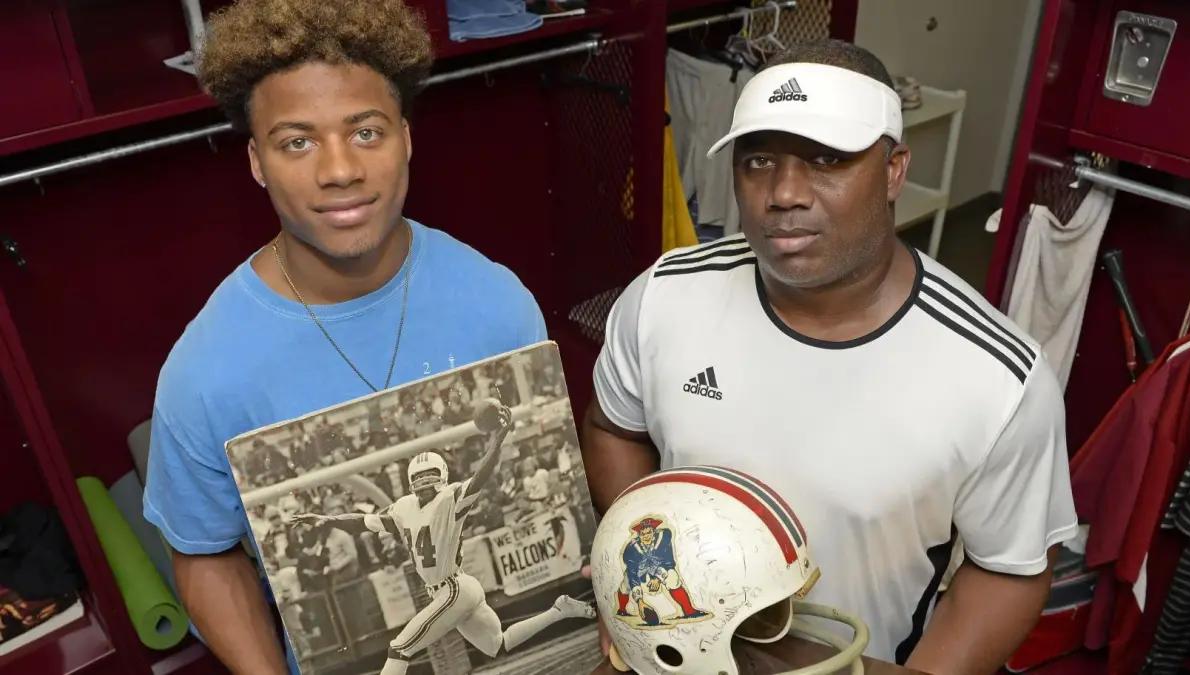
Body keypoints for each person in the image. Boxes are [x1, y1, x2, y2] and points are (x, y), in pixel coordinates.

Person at [581, 39, 1078, 674]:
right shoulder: (664, 297)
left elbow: (1010, 568)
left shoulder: (998, 378)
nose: (784, 192)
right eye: (758, 160)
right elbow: (612, 427)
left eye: (827, 159)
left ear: (895, 169)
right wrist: (636, 574)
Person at [140, 1, 546, 673]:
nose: (339, 170)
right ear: (256, 161)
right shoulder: (205, 371)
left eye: (366, 131)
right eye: (297, 141)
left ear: (407, 138)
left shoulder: (498, 303)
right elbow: (205, 553)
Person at [291, 400, 595, 675]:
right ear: (411, 483)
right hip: (452, 589)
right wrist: (326, 519)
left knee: (399, 647)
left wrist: (497, 439)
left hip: (453, 588)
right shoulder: (404, 508)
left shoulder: (450, 499)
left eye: (429, 477)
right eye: (419, 479)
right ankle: (559, 611)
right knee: (497, 645)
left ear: (442, 477)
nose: (424, 483)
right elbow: (363, 522)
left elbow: (482, 475)